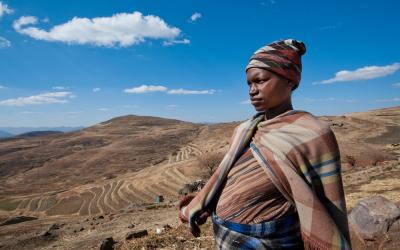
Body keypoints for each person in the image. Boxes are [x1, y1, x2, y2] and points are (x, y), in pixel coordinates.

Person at [178, 39, 351, 250]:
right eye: (249, 84)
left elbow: (330, 204)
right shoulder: (244, 130)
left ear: (289, 80)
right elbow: (229, 177)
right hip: (226, 237)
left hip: (274, 241)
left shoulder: (314, 134)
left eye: (260, 80)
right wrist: (208, 202)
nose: (252, 90)